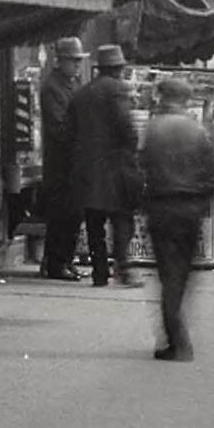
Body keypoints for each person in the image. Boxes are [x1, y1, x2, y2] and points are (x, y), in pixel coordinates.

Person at [137, 76, 214, 363]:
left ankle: (177, 339)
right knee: (181, 274)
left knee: (167, 274)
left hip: (162, 208)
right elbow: (212, 173)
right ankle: (176, 335)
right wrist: (201, 204)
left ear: (164, 98)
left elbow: (142, 169)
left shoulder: (154, 129)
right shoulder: (197, 131)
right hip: (189, 210)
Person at [67, 39, 143, 286]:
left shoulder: (81, 93)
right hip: (115, 169)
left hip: (87, 169)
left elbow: (70, 131)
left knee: (94, 224)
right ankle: (124, 268)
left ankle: (100, 272)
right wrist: (132, 150)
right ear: (118, 68)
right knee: (122, 221)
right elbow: (126, 128)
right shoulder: (117, 90)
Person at [35, 38, 86, 278]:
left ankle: (65, 259)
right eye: (73, 61)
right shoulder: (52, 87)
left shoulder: (73, 85)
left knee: (74, 214)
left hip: (74, 162)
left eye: (78, 61)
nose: (76, 66)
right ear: (61, 61)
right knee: (61, 214)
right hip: (60, 163)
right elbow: (58, 128)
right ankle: (56, 263)